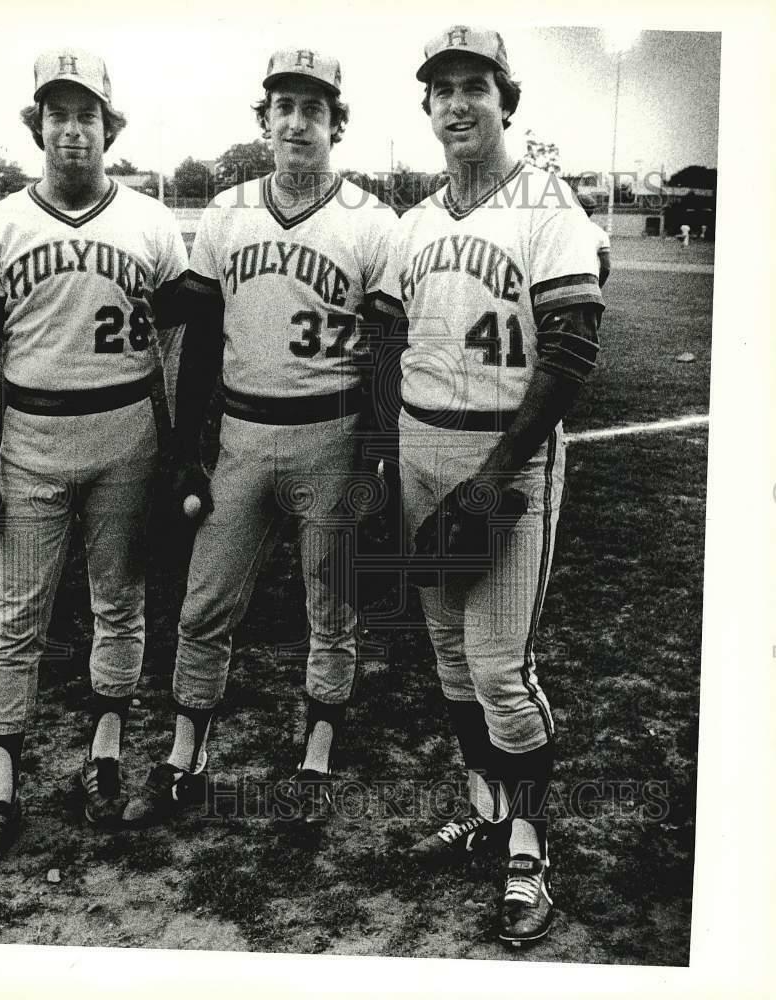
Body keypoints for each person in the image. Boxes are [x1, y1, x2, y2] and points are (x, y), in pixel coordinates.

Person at [123, 48, 396, 827]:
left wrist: (377, 455)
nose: (298, 122)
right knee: (205, 602)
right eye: (285, 107)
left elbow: (385, 351)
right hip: (241, 434)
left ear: (337, 125)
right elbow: (205, 333)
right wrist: (183, 444)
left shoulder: (372, 219)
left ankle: (316, 758)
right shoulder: (228, 209)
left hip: (332, 436)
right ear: (265, 120)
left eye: (315, 109)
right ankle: (185, 754)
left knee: (332, 607)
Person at [373, 25, 604, 945]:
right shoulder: (417, 225)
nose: (458, 104)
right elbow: (389, 338)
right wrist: (391, 458)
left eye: (476, 86)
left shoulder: (550, 207)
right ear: (426, 109)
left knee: (504, 671)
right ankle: (485, 806)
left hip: (505, 461)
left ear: (508, 101)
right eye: (442, 90)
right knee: (453, 661)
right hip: (422, 455)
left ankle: (528, 849)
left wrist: (497, 476)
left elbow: (574, 351)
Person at [0, 48, 188, 878]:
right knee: (13, 618)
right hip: (29, 444)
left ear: (109, 127)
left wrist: (179, 453)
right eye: (58, 113)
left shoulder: (153, 223)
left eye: (87, 114)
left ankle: (106, 753)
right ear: (38, 126)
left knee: (119, 604)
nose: (73, 128)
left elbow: (179, 349)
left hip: (127, 436)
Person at [577, 191, 611, 287]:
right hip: (590, 285)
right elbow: (606, 268)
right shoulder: (600, 233)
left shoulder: (563, 230)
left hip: (563, 287)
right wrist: (597, 287)